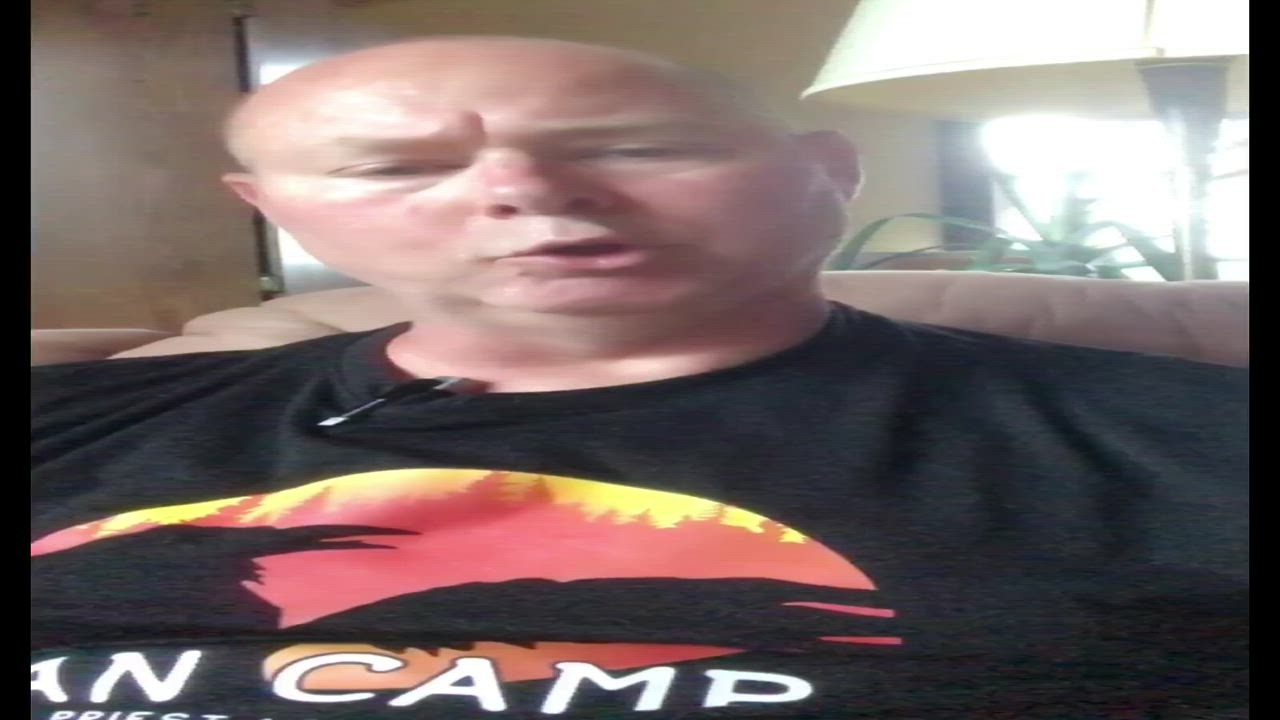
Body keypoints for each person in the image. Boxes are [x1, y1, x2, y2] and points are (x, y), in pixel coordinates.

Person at [32, 36, 1246, 719]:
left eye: (633, 148)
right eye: (394, 167)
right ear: (274, 210)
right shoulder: (71, 420)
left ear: (827, 173)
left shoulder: (1194, 437)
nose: (525, 192)